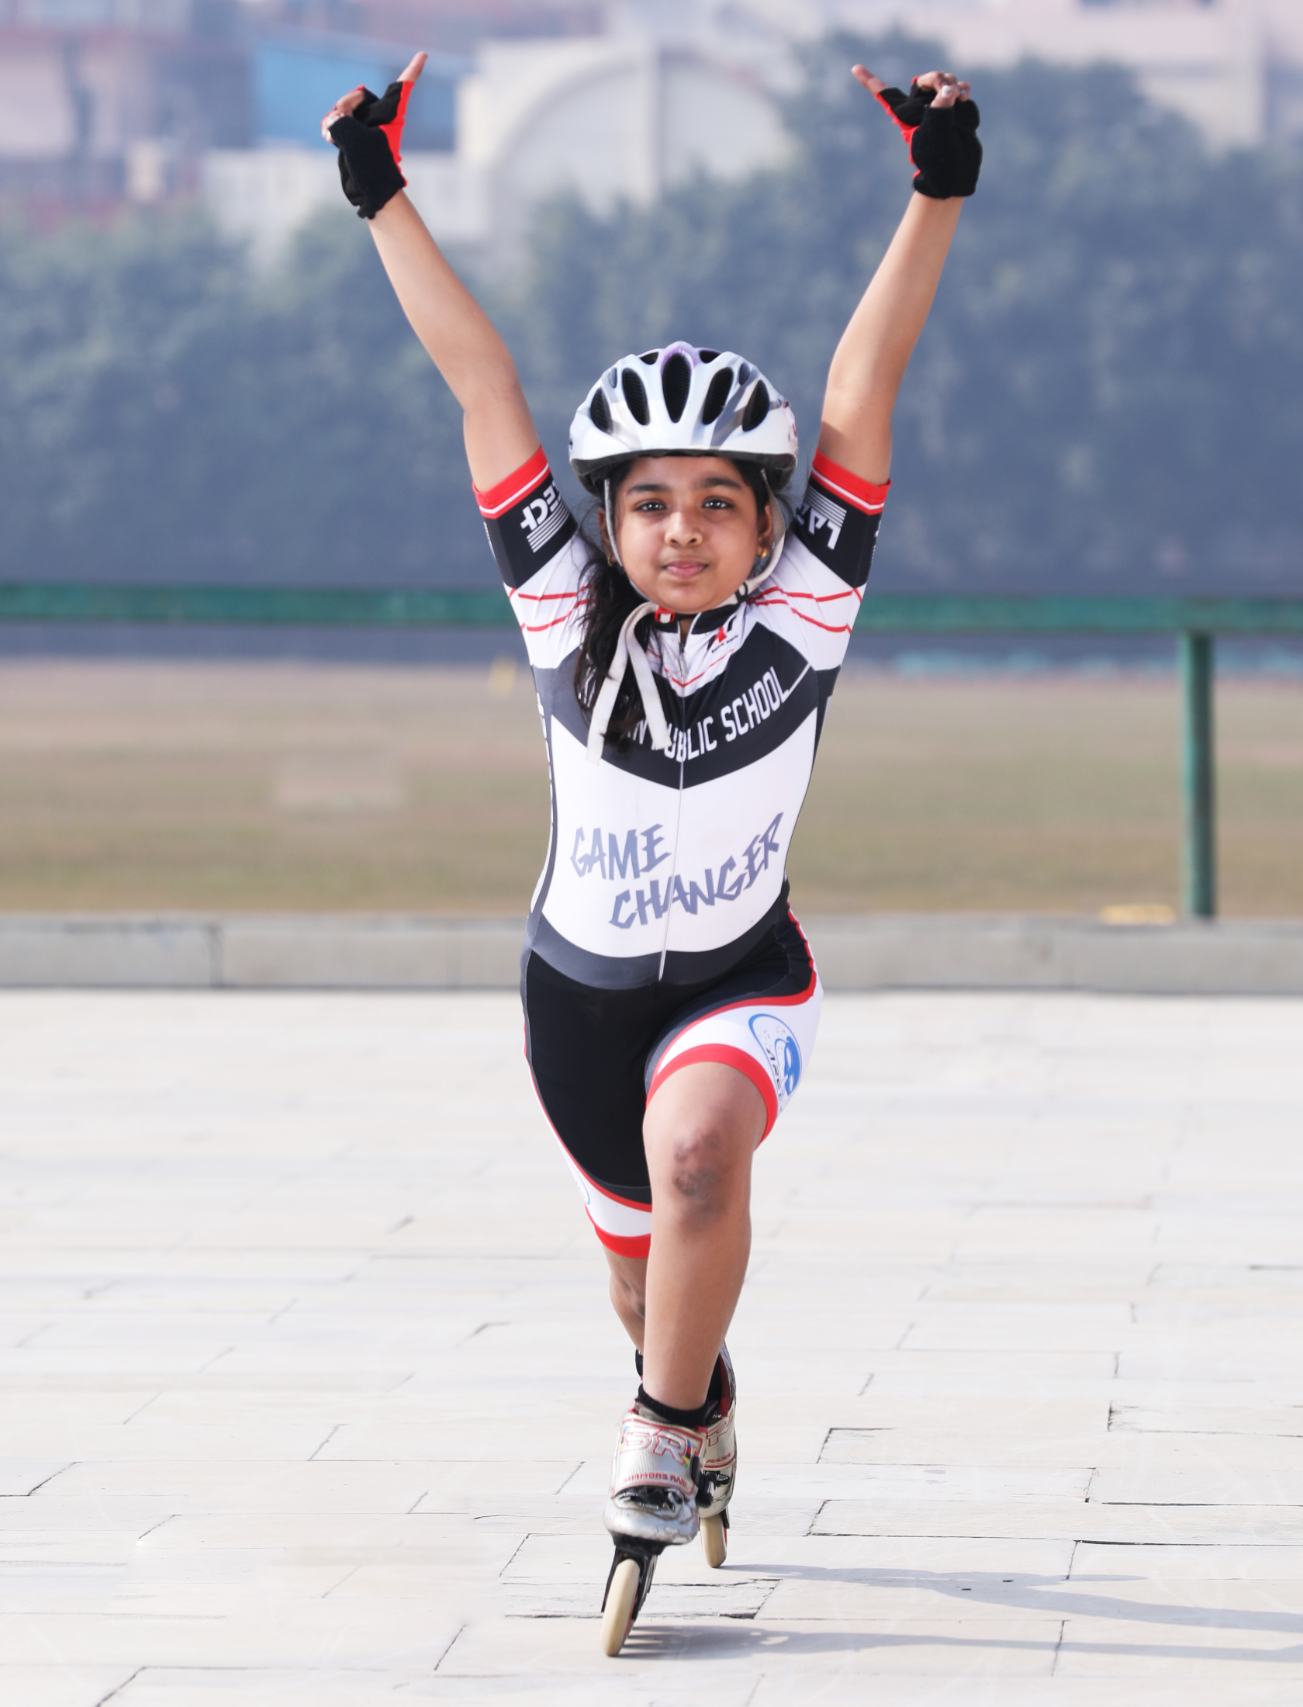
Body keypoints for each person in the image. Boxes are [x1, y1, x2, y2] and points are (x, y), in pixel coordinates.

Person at [322, 48, 980, 1639]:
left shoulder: (809, 612)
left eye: (719, 503)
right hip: (578, 1001)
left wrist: (937, 194)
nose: (683, 528)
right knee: (641, 1281)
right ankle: (693, 1389)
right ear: (605, 524)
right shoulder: (562, 612)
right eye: (650, 504)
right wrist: (382, 195)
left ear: (769, 526)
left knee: (699, 1163)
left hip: (742, 977)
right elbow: (484, 387)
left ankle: (659, 1440)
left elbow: (861, 386)